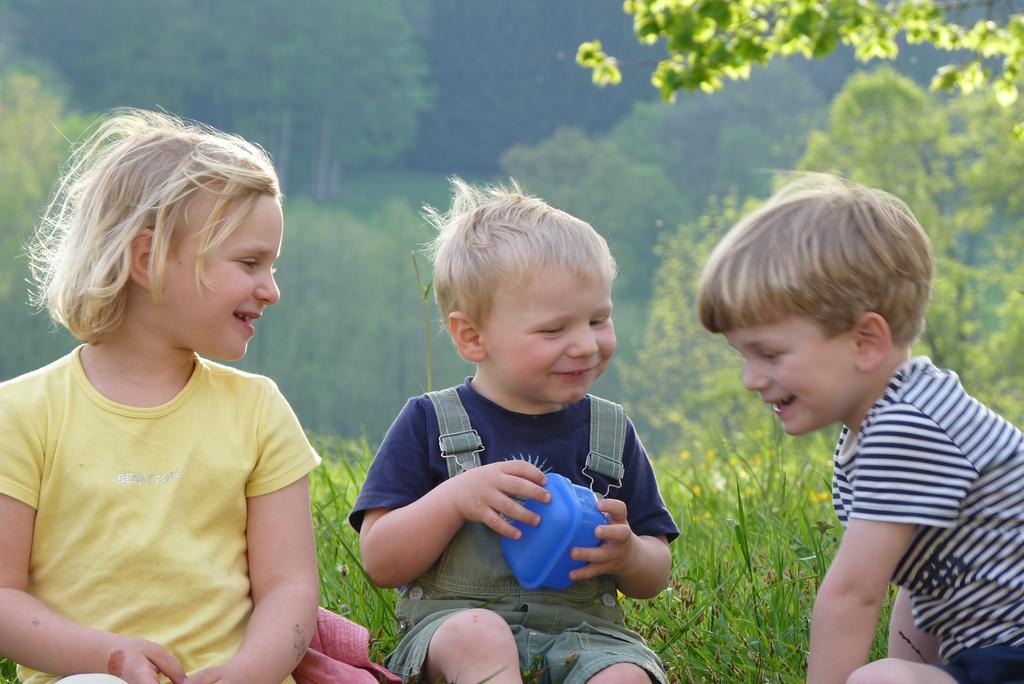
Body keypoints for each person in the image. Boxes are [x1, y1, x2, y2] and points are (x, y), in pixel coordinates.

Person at [0, 109, 321, 684]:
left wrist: (248, 673)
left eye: (272, 265)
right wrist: (111, 660)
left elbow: (290, 588)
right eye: (249, 262)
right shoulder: (21, 414)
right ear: (146, 259)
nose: (271, 290)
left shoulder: (259, 411)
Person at [696, 172, 1024, 684]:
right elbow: (921, 585)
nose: (751, 380)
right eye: (743, 356)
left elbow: (853, 593)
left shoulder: (906, 427)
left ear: (866, 340)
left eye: (770, 354)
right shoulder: (884, 422)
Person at [350, 178, 679, 683]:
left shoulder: (610, 432)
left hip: (587, 636)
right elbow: (380, 560)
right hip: (457, 626)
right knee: (479, 637)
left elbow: (655, 571)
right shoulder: (430, 422)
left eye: (598, 320)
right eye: (553, 330)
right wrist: (455, 497)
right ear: (473, 337)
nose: (586, 346)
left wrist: (630, 551)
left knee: (625, 677)